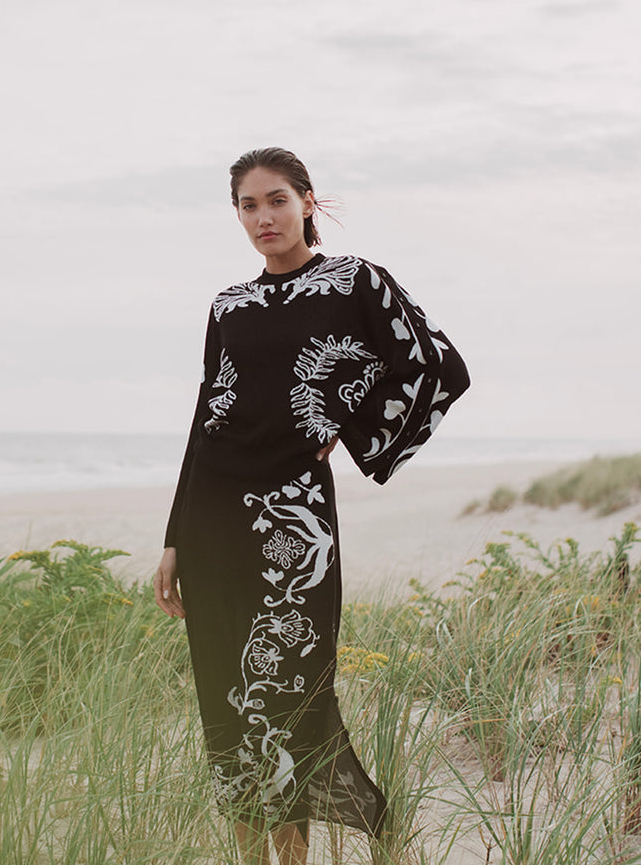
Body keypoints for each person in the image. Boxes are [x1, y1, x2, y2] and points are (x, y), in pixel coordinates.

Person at [154, 147, 470, 865]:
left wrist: (346, 422)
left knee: (291, 697)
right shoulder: (227, 306)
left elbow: (436, 364)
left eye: (276, 200)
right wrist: (174, 536)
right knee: (226, 703)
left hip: (294, 520)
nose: (263, 217)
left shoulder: (354, 281)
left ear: (307, 201)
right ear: (236, 214)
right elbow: (207, 416)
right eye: (248, 205)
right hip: (212, 519)